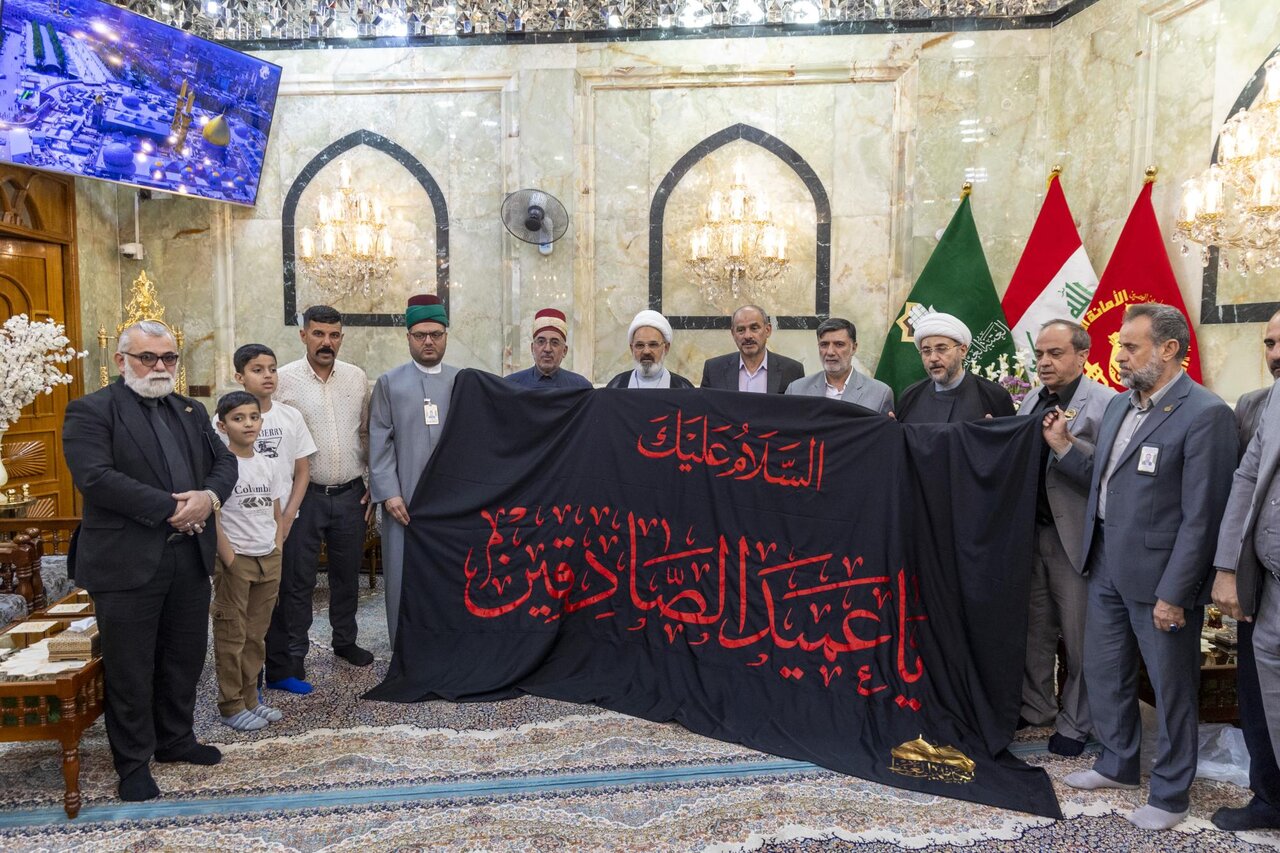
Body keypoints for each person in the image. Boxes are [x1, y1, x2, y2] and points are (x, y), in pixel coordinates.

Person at [1045, 303, 1237, 830]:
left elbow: (1203, 516)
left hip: (1161, 580)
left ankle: (1172, 794)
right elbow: (1108, 479)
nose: (1120, 355)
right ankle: (1117, 762)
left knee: (1172, 688)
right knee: (1106, 672)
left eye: (1130, 346)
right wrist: (1064, 448)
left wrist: (1176, 592)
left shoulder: (1205, 413)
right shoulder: (1122, 407)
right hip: (1104, 561)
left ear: (1169, 349)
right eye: (1119, 346)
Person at [62, 320, 237, 802]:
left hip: (190, 554)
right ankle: (133, 763)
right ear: (121, 361)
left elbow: (226, 464)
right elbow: (96, 479)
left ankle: (175, 740)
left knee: (183, 657)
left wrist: (207, 498)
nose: (160, 367)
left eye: (168, 358)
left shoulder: (189, 409)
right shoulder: (91, 411)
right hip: (126, 561)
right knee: (131, 667)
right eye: (148, 358)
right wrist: (174, 509)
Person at [1016, 320, 1114, 757]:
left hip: (1075, 539)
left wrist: (1064, 446)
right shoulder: (1033, 401)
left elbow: (1106, 476)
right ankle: (1037, 709)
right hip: (1030, 534)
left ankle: (1077, 723)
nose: (1045, 363)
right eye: (1039, 354)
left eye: (1055, 354)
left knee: (1080, 639)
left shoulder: (1107, 405)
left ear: (1082, 356)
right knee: (1034, 632)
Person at [267, 305, 372, 693]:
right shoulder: (285, 380)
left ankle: (345, 641)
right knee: (298, 579)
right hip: (303, 497)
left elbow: (366, 432)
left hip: (350, 493)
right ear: (303, 335)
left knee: (348, 576)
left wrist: (371, 480)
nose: (326, 342)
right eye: (318, 334)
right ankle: (295, 653)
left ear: (341, 337)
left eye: (334, 335)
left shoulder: (357, 378)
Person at [1208, 308, 1280, 833]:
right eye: (1269, 343)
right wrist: (1228, 568)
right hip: (1266, 587)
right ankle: (1270, 798)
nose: (1275, 354)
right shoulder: (1267, 405)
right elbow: (1244, 481)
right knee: (1260, 702)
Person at [370, 294, 462, 645]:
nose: (428, 341)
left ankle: (448, 644)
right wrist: (389, 493)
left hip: (450, 503)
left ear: (445, 336)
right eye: (420, 334)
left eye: (435, 334)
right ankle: (405, 647)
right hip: (403, 501)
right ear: (408, 337)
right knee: (401, 573)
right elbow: (380, 441)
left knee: (449, 574)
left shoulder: (461, 381)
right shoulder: (390, 383)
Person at [211, 391, 287, 732]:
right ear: (222, 424)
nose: (248, 424)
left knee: (256, 634)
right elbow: (212, 514)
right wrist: (228, 557)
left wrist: (277, 545)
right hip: (236, 559)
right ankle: (231, 704)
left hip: (267, 556)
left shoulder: (268, 462)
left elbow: (274, 507)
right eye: (238, 418)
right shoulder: (219, 467)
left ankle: (251, 698)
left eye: (253, 417)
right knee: (232, 633)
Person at [223, 344, 316, 547]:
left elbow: (302, 471)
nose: (268, 375)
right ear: (240, 377)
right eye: (258, 370)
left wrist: (289, 516)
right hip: (241, 523)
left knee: (288, 577)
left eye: (272, 369)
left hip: (287, 516)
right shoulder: (223, 422)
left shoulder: (291, 416)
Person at [895, 312, 1016, 423]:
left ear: (963, 351)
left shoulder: (993, 396)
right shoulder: (911, 397)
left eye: (941, 348)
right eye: (926, 351)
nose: (933, 358)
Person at [785, 317, 893, 414]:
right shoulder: (796, 390)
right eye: (824, 345)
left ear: (854, 348)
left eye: (839, 344)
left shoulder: (879, 394)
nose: (830, 352)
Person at [700, 304, 804, 394]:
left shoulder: (792, 371)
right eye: (741, 330)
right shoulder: (714, 370)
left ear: (767, 330)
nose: (748, 336)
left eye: (754, 328)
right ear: (733, 334)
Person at [605, 310, 694, 389]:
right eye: (640, 345)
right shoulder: (617, 386)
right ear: (632, 349)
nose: (646, 351)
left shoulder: (683, 388)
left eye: (653, 345)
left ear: (666, 348)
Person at [506, 307, 592, 389]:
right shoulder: (511, 385)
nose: (547, 349)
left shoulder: (581, 387)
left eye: (554, 343)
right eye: (541, 341)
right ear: (532, 348)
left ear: (564, 351)